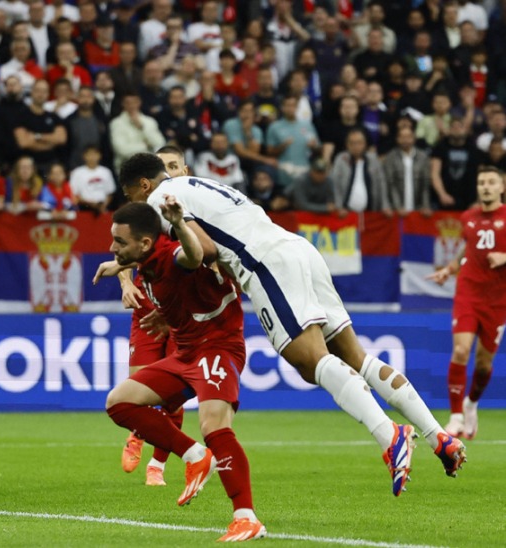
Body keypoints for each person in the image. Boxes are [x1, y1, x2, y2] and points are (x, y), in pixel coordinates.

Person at [117, 152, 468, 496]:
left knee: (309, 360)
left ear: (143, 185)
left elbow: (204, 250)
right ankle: (438, 436)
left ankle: (389, 436)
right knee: (354, 357)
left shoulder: (160, 200)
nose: (132, 205)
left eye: (130, 195)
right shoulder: (198, 184)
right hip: (296, 248)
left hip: (267, 265)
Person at [96, 200, 266, 542]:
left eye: (120, 242)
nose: (113, 247)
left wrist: (179, 222)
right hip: (186, 351)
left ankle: (246, 518)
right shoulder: (146, 262)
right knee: (119, 401)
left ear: (145, 242)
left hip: (217, 347)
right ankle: (194, 455)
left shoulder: (171, 254)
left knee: (214, 426)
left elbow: (192, 256)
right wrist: (125, 271)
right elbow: (170, 282)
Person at [117, 145, 189, 487]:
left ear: (185, 171)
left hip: (179, 312)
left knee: (173, 396)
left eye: (174, 166)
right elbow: (120, 252)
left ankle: (157, 466)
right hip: (146, 310)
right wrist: (124, 284)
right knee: (140, 387)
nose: (169, 172)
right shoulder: (139, 213)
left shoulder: (188, 210)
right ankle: (138, 431)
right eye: (164, 166)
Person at [427, 166, 506, 441]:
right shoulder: (468, 217)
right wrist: (450, 269)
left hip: (497, 300)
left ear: (502, 187)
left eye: (491, 182)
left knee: (483, 365)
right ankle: (456, 416)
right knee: (461, 351)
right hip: (468, 293)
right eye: (482, 182)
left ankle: (471, 404)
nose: (486, 186)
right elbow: (467, 248)